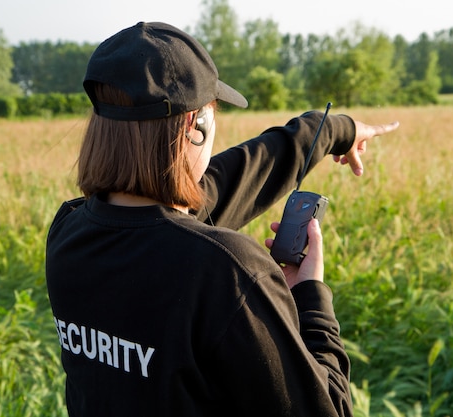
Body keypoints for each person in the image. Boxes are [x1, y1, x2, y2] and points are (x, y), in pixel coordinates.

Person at [45, 21, 399, 417]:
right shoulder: (228, 273)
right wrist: (310, 296)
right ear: (194, 127)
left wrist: (331, 130)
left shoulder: (68, 232)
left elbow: (223, 184)